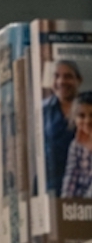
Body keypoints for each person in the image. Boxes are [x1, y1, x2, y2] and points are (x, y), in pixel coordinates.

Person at [43, 60, 82, 193]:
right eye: (56, 76)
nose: (61, 81)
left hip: (83, 183)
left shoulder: (88, 107)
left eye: (68, 76)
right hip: (51, 185)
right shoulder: (44, 110)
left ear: (79, 80)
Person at [61, 92, 92, 198]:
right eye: (81, 116)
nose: (88, 121)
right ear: (74, 120)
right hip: (80, 207)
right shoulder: (75, 145)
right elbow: (70, 179)